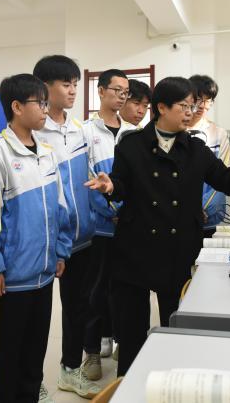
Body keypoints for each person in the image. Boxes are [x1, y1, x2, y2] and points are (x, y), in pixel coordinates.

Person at [86, 77, 230, 376]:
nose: (191, 112)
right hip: (135, 248)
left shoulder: (196, 149)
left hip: (177, 249)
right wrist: (111, 186)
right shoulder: (132, 145)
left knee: (176, 323)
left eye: (193, 106)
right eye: (184, 106)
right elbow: (122, 184)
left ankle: (174, 380)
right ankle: (130, 379)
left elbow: (225, 178)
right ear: (162, 108)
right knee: (131, 330)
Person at [0, 74, 72, 403]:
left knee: (33, 360)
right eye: (40, 103)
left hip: (42, 277)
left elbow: (60, 207)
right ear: (16, 107)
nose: (46, 109)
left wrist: (60, 251)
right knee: (2, 363)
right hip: (8, 281)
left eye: (46, 102)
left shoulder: (47, 153)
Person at [33, 55, 102, 398]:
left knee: (78, 308)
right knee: (37, 315)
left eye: (76, 83)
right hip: (46, 240)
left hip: (82, 237)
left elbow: (88, 178)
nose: (73, 90)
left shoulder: (79, 130)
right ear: (45, 88)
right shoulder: (33, 131)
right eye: (66, 84)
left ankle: (70, 370)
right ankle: (31, 380)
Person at [82, 69, 134, 380]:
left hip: (128, 228)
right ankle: (91, 352)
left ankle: (122, 343)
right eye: (117, 90)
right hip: (100, 227)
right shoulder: (85, 131)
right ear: (101, 91)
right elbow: (85, 180)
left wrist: (124, 211)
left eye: (126, 92)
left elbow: (136, 180)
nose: (122, 97)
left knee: (125, 290)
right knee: (95, 292)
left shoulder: (133, 133)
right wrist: (109, 210)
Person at [188, 74, 229, 238]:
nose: (202, 106)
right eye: (198, 99)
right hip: (176, 217)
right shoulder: (175, 131)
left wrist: (202, 208)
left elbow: (222, 177)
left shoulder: (219, 134)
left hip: (208, 216)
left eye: (208, 101)